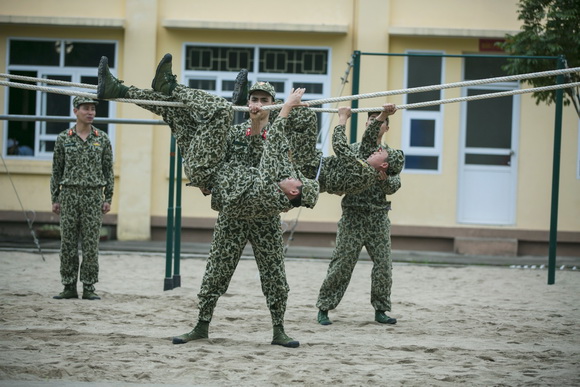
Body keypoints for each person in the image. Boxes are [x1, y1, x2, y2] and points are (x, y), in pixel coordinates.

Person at [97, 54, 318, 347]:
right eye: (254, 98)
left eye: (264, 100)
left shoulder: (279, 138)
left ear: (273, 106)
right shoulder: (235, 132)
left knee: (275, 275)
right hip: (233, 213)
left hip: (264, 218)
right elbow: (217, 161)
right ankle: (201, 325)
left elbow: (287, 161)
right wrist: (211, 182)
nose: (258, 104)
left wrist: (288, 112)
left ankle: (279, 329)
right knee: (216, 271)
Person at [316, 107, 404, 326]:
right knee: (342, 263)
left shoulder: (390, 155)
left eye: (380, 121)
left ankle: (381, 310)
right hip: (353, 216)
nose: (376, 124)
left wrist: (384, 179)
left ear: (387, 127)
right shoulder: (355, 150)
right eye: (372, 120)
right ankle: (324, 308)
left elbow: (395, 185)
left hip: (378, 217)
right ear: (367, 125)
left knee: (384, 265)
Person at [50, 96, 114, 301]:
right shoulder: (63, 138)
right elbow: (56, 171)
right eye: (86, 108)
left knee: (90, 244)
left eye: (93, 109)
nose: (91, 112)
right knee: (67, 243)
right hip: (69, 194)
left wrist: (108, 197)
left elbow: (108, 170)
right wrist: (55, 198)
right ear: (75, 111)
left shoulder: (102, 138)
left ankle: (89, 286)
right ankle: (69, 286)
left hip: (94, 196)